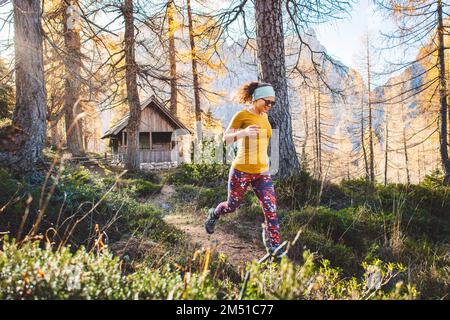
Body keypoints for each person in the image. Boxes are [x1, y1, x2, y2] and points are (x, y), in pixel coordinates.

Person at [204, 81, 286, 259]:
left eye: (273, 103)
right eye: (267, 102)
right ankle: (214, 213)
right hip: (241, 170)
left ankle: (275, 248)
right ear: (257, 98)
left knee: (271, 209)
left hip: (262, 172)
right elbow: (225, 140)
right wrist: (244, 132)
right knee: (232, 205)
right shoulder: (242, 115)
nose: (270, 106)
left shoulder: (264, 116)